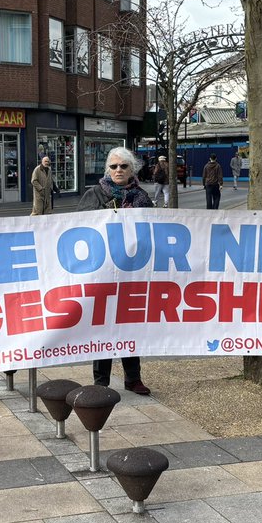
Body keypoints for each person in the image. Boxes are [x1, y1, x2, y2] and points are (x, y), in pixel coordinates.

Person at [78, 147, 154, 395]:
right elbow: (79, 229)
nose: (119, 170)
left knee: (129, 325)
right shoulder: (94, 194)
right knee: (103, 326)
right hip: (102, 271)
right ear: (107, 169)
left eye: (124, 166)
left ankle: (133, 378)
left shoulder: (142, 198)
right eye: (114, 166)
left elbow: (152, 233)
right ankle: (101, 382)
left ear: (132, 169)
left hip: (132, 273)